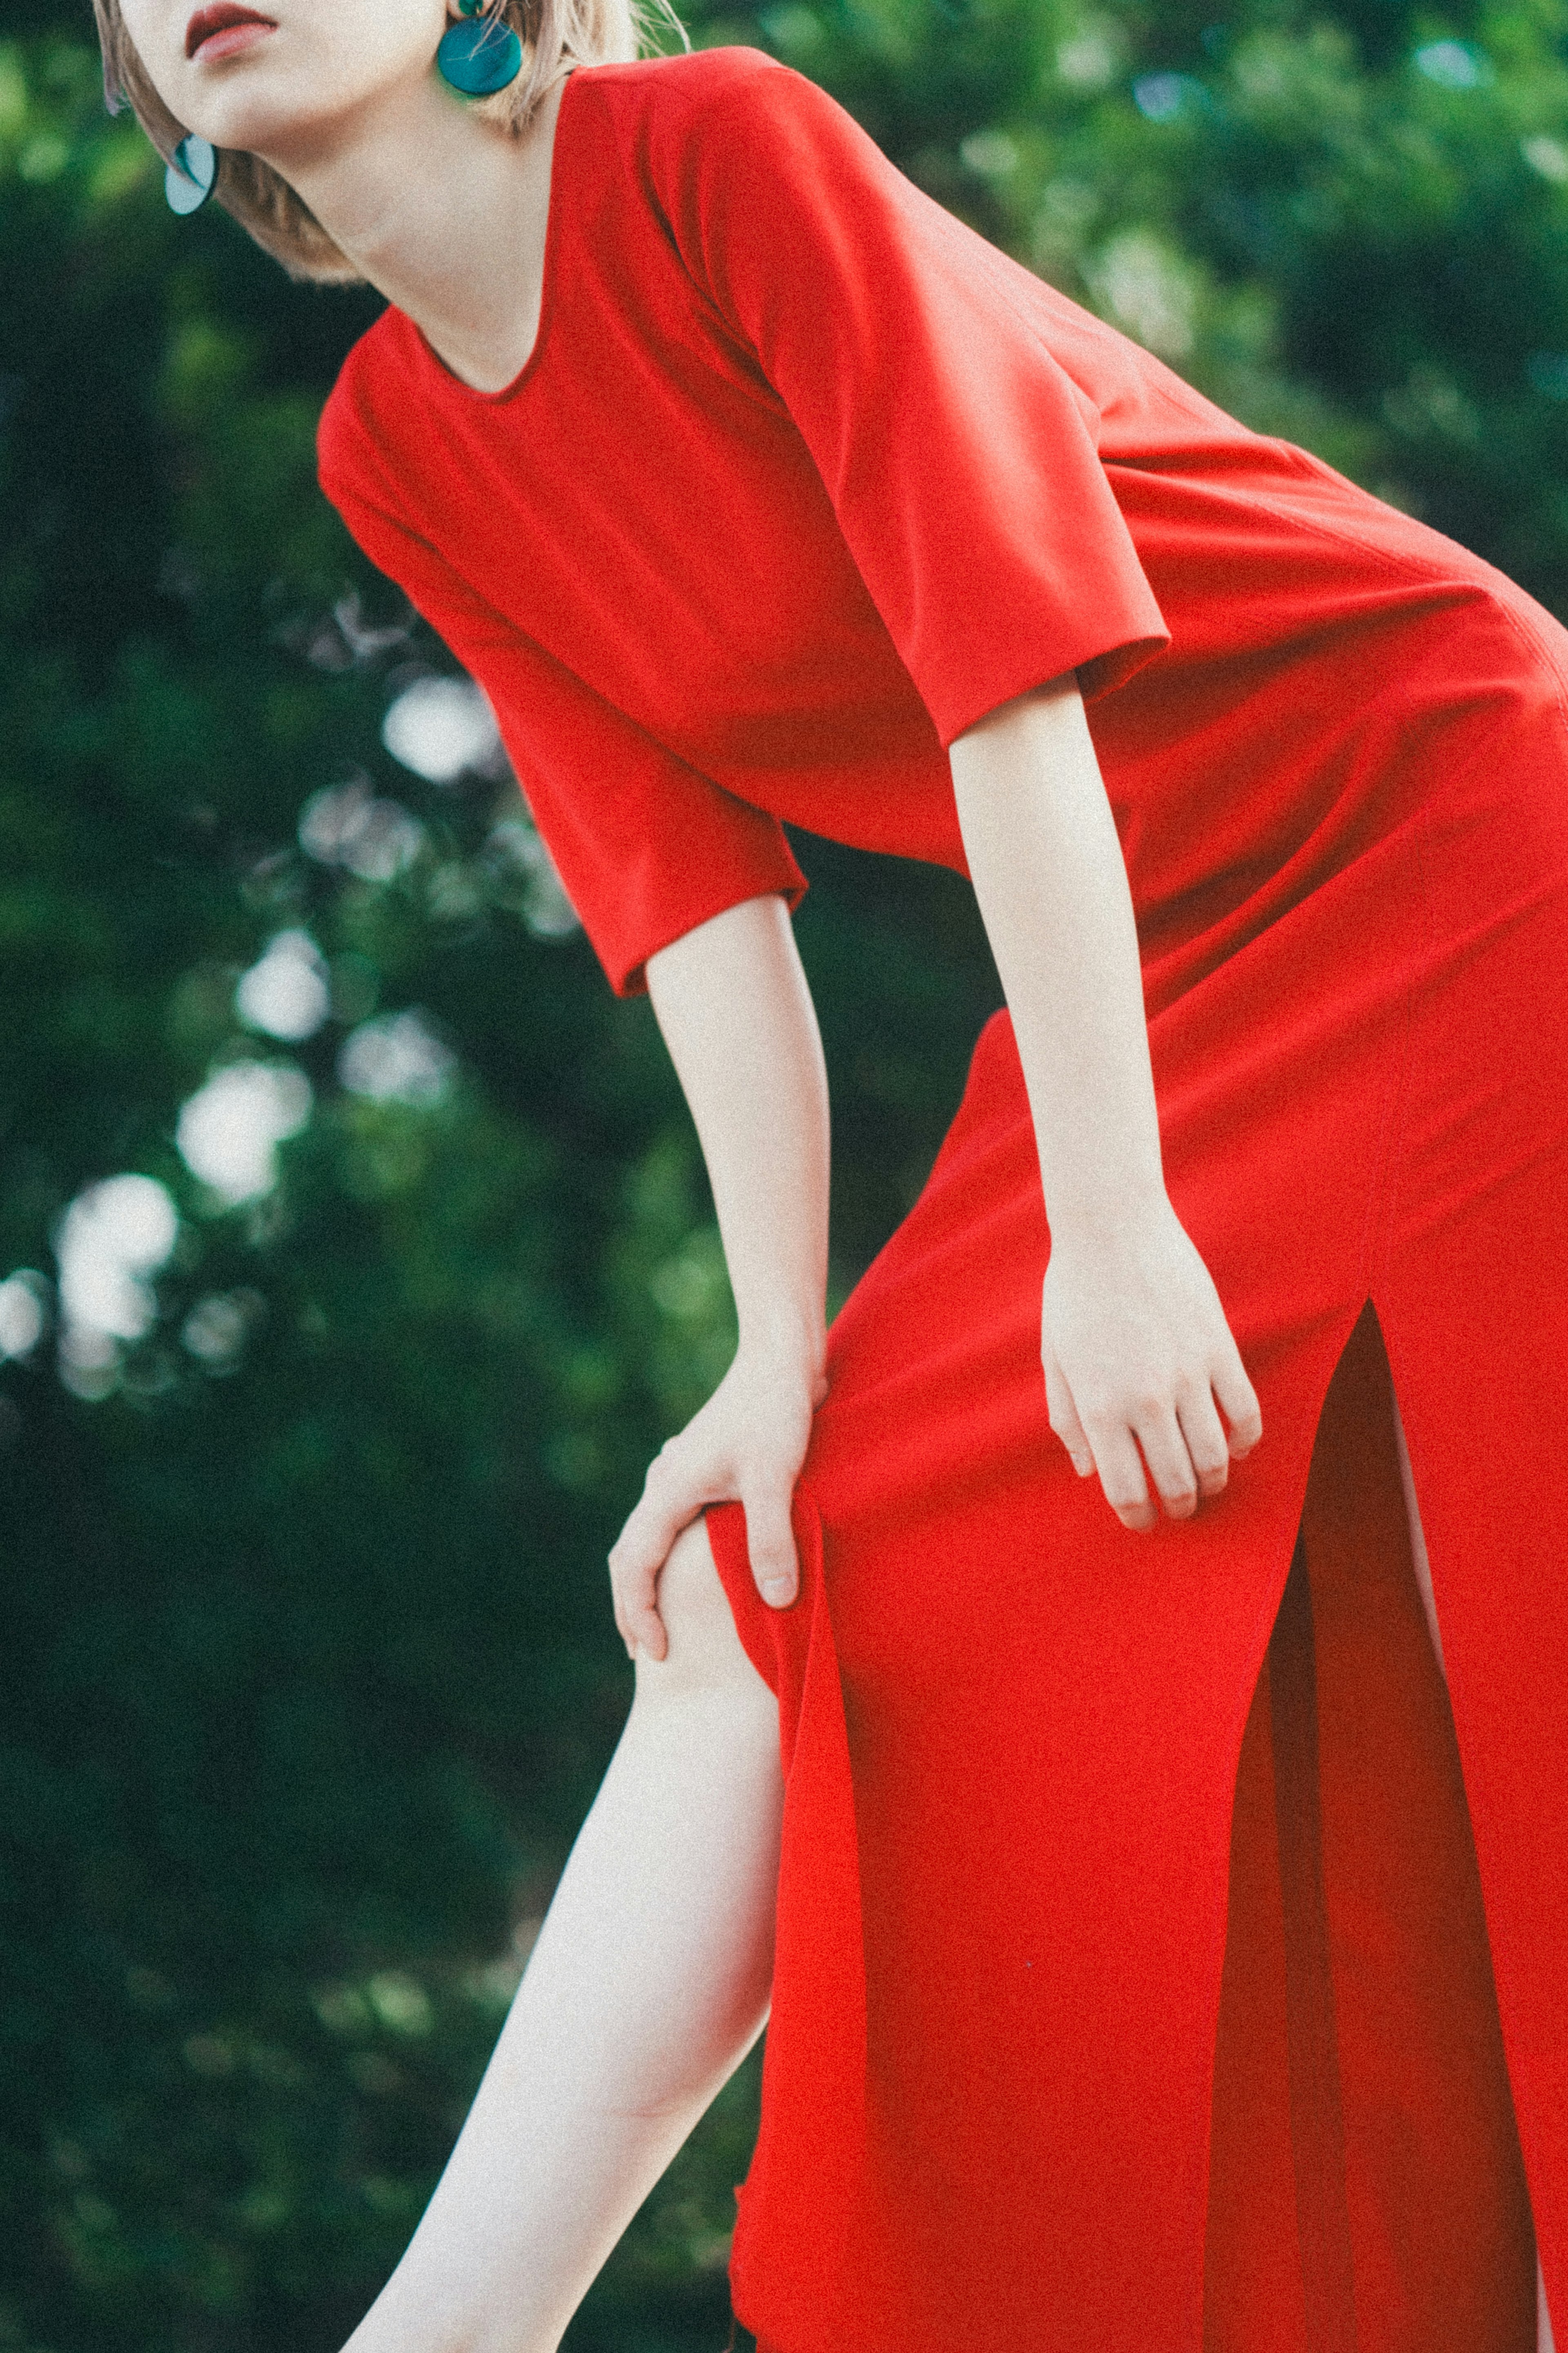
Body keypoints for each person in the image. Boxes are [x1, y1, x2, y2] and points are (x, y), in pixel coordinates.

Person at [96, 1, 1564, 2347]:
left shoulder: (723, 160)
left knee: (1521, 1687)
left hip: (1459, 837)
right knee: (788, 1555)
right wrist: (776, 1352)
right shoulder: (394, 448)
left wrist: (1110, 1221)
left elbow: (1010, 675)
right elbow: (688, 893)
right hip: (1165, 958)